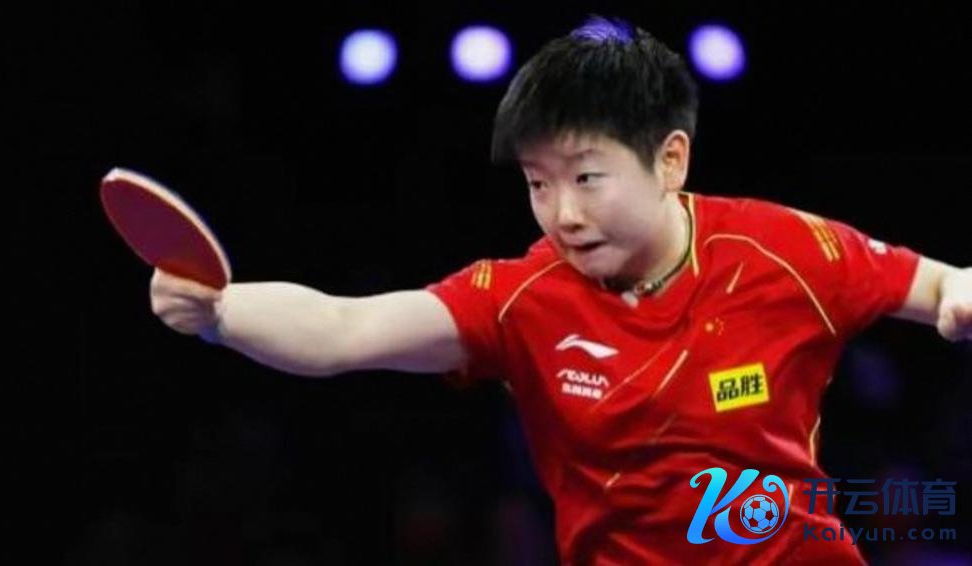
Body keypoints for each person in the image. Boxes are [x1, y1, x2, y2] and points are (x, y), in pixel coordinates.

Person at [147, 16, 972, 564]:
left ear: (670, 160)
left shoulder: (786, 251)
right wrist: (220, 311)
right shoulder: (522, 299)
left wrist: (958, 297)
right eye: (538, 184)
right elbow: (342, 332)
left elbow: (936, 281)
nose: (563, 214)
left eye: (586, 177)